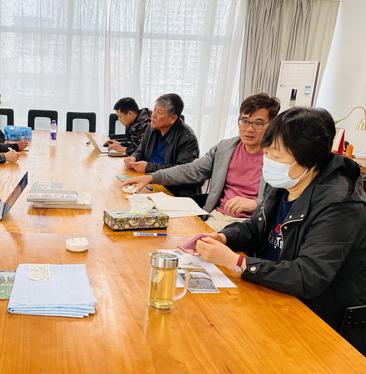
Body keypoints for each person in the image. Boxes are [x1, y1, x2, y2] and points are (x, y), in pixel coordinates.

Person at [193, 107, 366, 331]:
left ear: (310, 160)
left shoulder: (340, 204)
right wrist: (224, 238)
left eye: (276, 156)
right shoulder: (286, 182)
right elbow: (256, 228)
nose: (268, 162)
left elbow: (309, 276)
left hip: (319, 316)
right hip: (275, 292)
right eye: (266, 154)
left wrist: (237, 262)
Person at [123, 93, 280, 231]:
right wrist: (152, 177)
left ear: (271, 125)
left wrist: (255, 204)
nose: (249, 129)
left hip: (250, 223)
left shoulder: (278, 158)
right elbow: (192, 169)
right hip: (216, 217)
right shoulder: (225, 148)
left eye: (258, 123)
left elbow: (284, 201)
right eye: (244, 121)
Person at [123, 93, 200, 197]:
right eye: (154, 109)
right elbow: (140, 150)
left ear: (173, 118)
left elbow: (182, 171)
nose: (153, 115)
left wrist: (149, 167)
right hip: (150, 181)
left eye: (159, 112)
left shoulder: (187, 137)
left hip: (174, 190)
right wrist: (134, 158)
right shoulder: (152, 127)